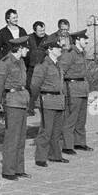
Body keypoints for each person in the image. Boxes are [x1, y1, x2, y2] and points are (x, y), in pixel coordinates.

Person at [0, 37, 31, 181]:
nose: (28, 50)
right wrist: (0, 103)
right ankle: (8, 170)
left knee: (21, 137)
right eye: (26, 48)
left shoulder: (20, 62)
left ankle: (19, 169)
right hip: (12, 101)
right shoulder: (5, 62)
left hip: (21, 100)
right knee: (12, 137)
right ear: (19, 48)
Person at [30, 38, 67, 167]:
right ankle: (40, 157)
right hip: (48, 100)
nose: (60, 50)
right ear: (50, 50)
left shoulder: (58, 64)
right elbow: (35, 85)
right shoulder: (43, 65)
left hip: (59, 100)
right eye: (57, 48)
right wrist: (34, 100)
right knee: (46, 131)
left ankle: (55, 155)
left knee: (57, 131)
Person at [68, 30, 94, 151]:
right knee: (71, 119)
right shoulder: (70, 53)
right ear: (77, 40)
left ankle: (79, 142)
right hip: (73, 88)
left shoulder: (82, 53)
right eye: (85, 39)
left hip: (82, 87)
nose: (87, 41)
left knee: (81, 118)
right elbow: (61, 71)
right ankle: (67, 145)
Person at [25, 21, 50, 92]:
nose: (42, 32)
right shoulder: (28, 38)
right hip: (31, 68)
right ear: (34, 31)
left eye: (43, 30)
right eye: (40, 31)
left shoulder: (49, 39)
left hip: (43, 69)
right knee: (29, 87)